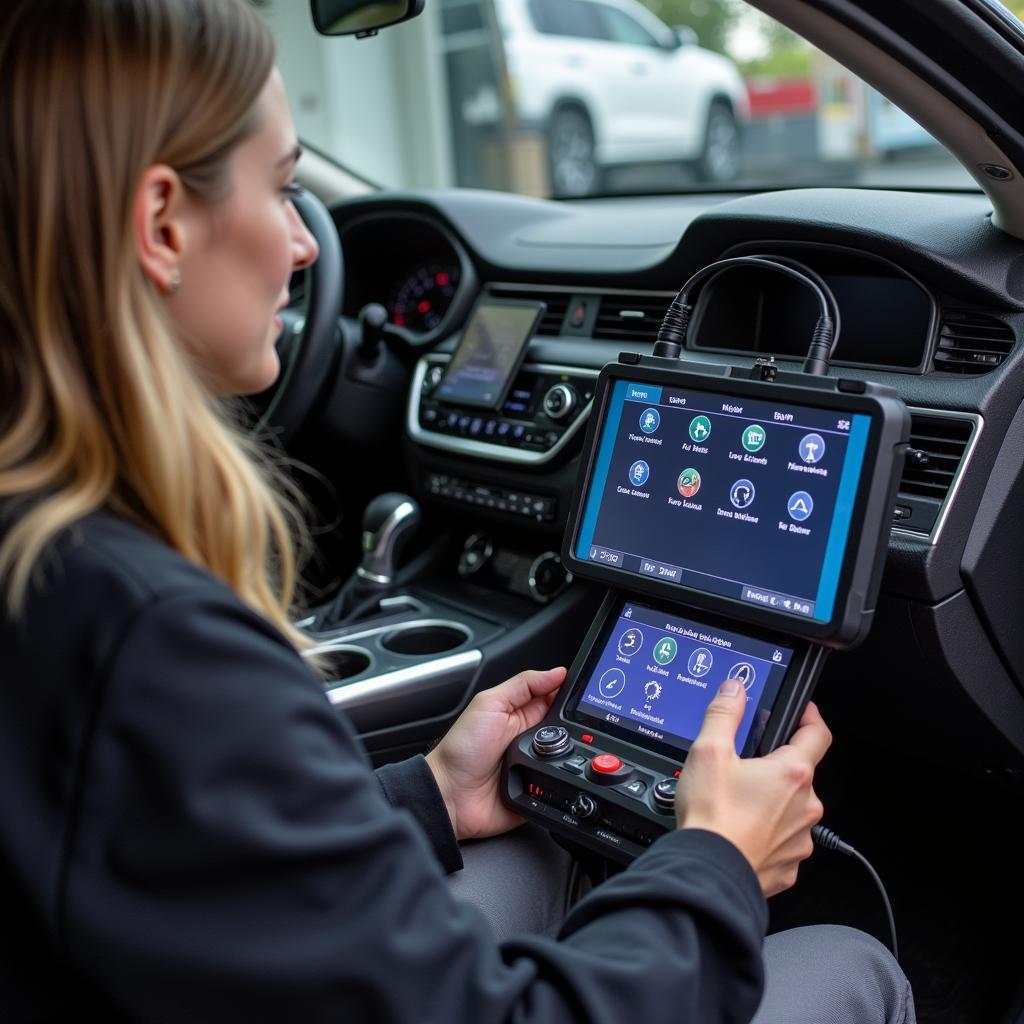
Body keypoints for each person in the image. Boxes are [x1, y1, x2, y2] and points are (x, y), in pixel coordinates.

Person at [0, 1, 915, 1022]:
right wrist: (719, 862)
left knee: (524, 850)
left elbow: (192, 860)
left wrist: (424, 793)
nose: (306, 244)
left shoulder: (50, 562)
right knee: (847, 960)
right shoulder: (158, 641)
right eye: (283, 186)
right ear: (162, 223)